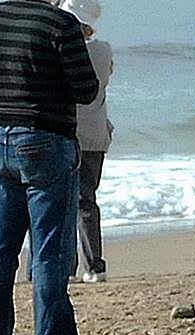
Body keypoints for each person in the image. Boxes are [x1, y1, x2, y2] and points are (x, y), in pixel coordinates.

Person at [0, 0, 109, 335]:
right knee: (49, 249)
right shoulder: (60, 24)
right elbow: (85, 89)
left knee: (0, 249)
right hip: (47, 137)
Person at [59, 0, 113, 284]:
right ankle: (95, 265)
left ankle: (68, 266)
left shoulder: (65, 51)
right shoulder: (103, 51)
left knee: (65, 203)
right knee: (87, 202)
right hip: (97, 134)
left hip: (70, 133)